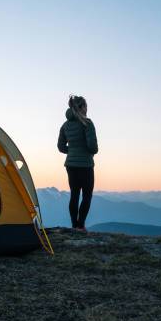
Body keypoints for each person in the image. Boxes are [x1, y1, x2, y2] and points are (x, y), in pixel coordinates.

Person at [57, 95, 98, 231]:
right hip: (85, 165)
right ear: (82, 107)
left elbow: (61, 147)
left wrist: (73, 150)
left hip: (71, 165)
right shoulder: (87, 123)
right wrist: (85, 152)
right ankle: (81, 225)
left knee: (74, 195)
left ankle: (74, 225)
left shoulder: (65, 125)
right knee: (87, 196)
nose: (87, 109)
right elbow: (93, 148)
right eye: (86, 106)